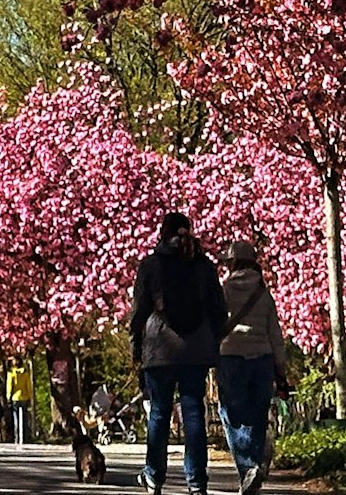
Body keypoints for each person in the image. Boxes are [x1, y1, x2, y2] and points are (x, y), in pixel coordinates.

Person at [128, 210, 225, 495]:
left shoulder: (151, 265)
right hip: (195, 350)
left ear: (162, 233)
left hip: (159, 348)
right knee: (193, 411)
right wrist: (211, 340)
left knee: (159, 412)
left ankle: (154, 477)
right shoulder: (204, 266)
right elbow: (218, 310)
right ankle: (196, 481)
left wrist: (136, 344)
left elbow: (139, 310)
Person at [214, 241, 288, 495]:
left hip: (231, 356)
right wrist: (281, 367)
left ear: (233, 264)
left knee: (233, 416)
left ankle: (248, 468)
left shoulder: (223, 291)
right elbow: (274, 333)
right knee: (257, 415)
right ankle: (254, 467)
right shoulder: (264, 294)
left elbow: (214, 326)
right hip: (262, 358)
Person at [6, 358, 35, 446]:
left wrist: (8, 396)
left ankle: (17, 438)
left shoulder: (11, 374)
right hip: (24, 397)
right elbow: (29, 386)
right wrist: (30, 397)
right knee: (24, 419)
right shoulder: (25, 374)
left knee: (16, 419)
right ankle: (24, 438)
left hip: (15, 398)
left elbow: (9, 386)